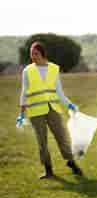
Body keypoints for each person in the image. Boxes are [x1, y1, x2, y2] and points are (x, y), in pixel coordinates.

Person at [15, 41, 83, 179]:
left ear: (42, 54)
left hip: (53, 109)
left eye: (36, 54)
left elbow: (59, 91)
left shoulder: (54, 69)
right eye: (31, 54)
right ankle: (48, 170)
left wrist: (70, 104)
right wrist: (22, 113)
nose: (33, 57)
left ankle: (71, 162)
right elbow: (24, 92)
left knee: (62, 137)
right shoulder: (27, 71)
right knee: (42, 142)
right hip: (35, 111)